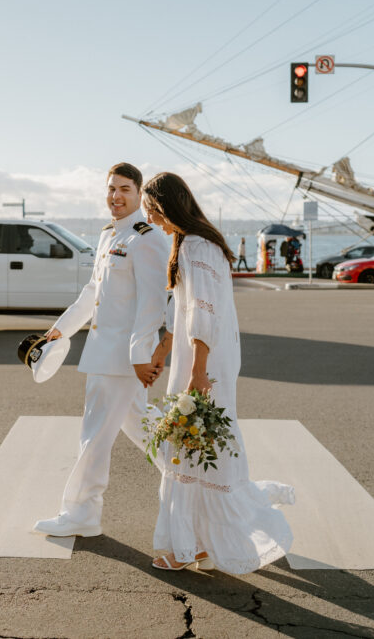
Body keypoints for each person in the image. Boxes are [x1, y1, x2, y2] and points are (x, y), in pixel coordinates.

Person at [141, 172, 294, 574]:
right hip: (200, 359)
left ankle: (188, 547)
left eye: (152, 211)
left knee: (193, 446)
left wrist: (198, 371)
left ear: (166, 205)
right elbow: (185, 311)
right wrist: (167, 352)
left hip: (203, 362)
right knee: (198, 445)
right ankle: (201, 544)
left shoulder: (195, 246)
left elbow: (203, 314)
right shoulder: (195, 244)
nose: (153, 220)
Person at [32, 162, 170, 538]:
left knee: (94, 437)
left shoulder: (148, 238)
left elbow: (152, 304)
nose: (116, 196)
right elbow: (92, 293)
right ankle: (192, 484)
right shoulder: (110, 235)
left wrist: (141, 356)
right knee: (147, 431)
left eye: (125, 189)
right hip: (105, 355)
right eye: (111, 189)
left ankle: (81, 513)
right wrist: (60, 330)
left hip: (122, 361)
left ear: (140, 193)